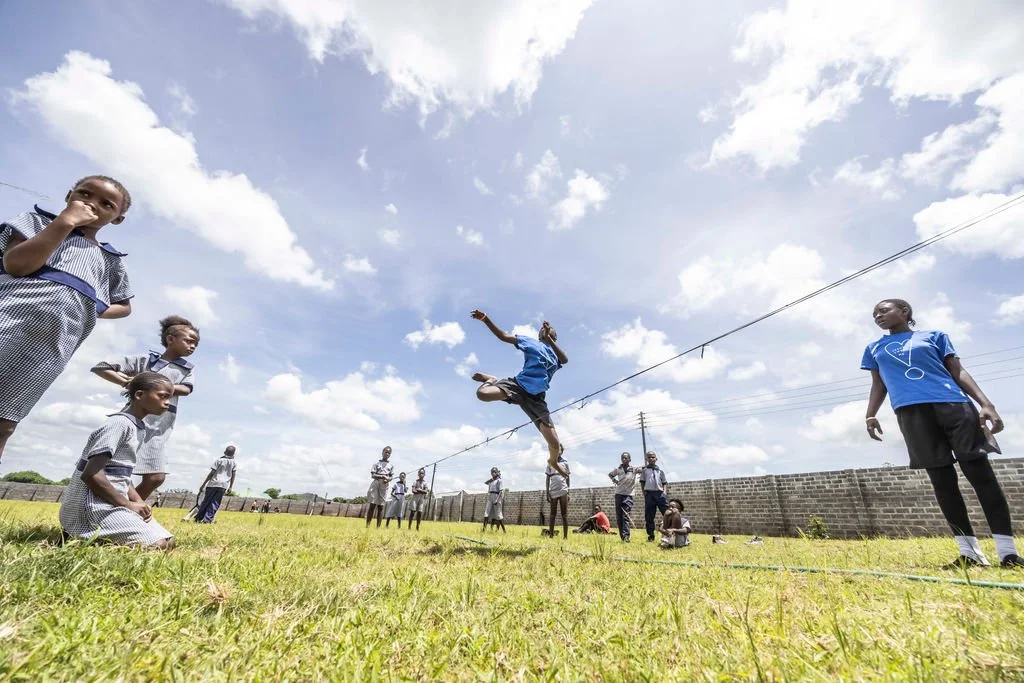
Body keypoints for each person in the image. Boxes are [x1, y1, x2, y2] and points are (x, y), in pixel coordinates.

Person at [864, 298, 1023, 569]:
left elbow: (957, 370)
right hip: (911, 413)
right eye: (874, 313)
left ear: (904, 312)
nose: (878, 315)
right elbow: (878, 384)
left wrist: (986, 404)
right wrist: (870, 414)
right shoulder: (874, 348)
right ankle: (970, 554)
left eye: (884, 310)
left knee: (980, 475)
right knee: (942, 482)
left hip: (953, 406)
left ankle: (1007, 553)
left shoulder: (934, 336)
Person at [0, 176, 134, 463]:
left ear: (117, 218)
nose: (91, 204)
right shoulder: (37, 223)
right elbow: (17, 265)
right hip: (8, 321)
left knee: (5, 422)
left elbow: (124, 305)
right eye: (84, 194)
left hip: (50, 348)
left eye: (106, 204)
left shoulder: (110, 259)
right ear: (69, 195)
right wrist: (65, 222)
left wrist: (88, 304)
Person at [58, 372, 174, 549]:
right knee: (158, 545)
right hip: (92, 507)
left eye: (169, 398)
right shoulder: (119, 424)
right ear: (139, 395)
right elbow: (91, 475)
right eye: (162, 396)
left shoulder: (136, 427)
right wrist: (127, 505)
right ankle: (83, 537)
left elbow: (121, 476)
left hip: (111, 503)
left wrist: (138, 502)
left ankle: (100, 538)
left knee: (169, 541)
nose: (167, 403)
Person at [91, 315, 199, 501]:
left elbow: (186, 389)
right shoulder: (144, 361)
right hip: (133, 419)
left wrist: (154, 385)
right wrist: (127, 382)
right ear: (170, 339)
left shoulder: (187, 369)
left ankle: (127, 508)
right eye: (189, 341)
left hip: (159, 428)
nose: (193, 346)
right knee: (118, 467)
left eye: (195, 344)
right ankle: (119, 507)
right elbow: (101, 368)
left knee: (156, 477)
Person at [469, 310, 569, 478]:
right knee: (482, 394)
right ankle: (492, 379)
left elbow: (565, 360)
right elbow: (503, 336)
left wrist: (550, 339)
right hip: (518, 386)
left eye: (551, 330)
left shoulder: (556, 355)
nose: (548, 328)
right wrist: (486, 319)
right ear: (539, 334)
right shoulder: (529, 341)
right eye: (545, 329)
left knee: (555, 444)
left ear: (554, 337)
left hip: (536, 398)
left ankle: (553, 461)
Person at [194, 446, 238, 524]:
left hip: (213, 484)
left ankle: (198, 518)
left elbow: (212, 473)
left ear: (224, 452)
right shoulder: (234, 463)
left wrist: (204, 484)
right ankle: (207, 520)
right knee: (215, 503)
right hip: (223, 485)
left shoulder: (219, 460)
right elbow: (233, 475)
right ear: (234, 454)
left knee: (206, 501)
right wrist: (230, 486)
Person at [608, 451, 639, 542]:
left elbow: (644, 468)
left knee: (625, 515)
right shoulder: (618, 469)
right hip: (618, 494)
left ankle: (626, 537)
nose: (624, 459)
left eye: (626, 458)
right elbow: (610, 474)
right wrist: (615, 481)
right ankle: (622, 536)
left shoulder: (633, 469)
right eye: (622, 458)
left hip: (628, 495)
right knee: (619, 516)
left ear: (629, 459)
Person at [639, 450, 669, 542]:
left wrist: (664, 493)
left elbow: (664, 483)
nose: (651, 458)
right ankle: (651, 536)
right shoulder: (644, 471)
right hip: (649, 495)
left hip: (660, 495)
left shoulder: (660, 471)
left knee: (667, 514)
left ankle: (670, 533)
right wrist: (645, 493)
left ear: (656, 459)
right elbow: (642, 482)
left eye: (653, 457)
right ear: (646, 459)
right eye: (649, 457)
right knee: (649, 516)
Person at [366, 446, 394, 528]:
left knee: (381, 506)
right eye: (386, 452)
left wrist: (388, 479)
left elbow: (391, 476)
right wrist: (382, 477)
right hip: (376, 484)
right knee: (372, 505)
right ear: (382, 452)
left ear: (390, 455)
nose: (387, 454)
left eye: (389, 453)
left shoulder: (391, 466)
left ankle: (378, 527)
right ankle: (367, 526)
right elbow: (373, 475)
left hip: (384, 486)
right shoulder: (376, 464)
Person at [545, 454, 570, 539]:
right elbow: (547, 478)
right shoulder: (550, 462)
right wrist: (547, 492)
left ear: (562, 451)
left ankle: (565, 537)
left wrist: (568, 492)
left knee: (564, 515)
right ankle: (551, 535)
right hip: (553, 491)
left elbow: (568, 477)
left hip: (563, 490)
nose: (558, 451)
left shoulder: (565, 463)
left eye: (560, 450)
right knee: (552, 514)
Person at [483, 467, 506, 534]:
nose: (493, 473)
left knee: (498, 515)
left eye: (494, 472)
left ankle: (504, 531)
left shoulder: (499, 481)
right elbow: (485, 483)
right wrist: (493, 478)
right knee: (486, 514)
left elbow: (501, 491)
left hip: (496, 496)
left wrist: (497, 500)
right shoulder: (491, 481)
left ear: (497, 473)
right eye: (492, 472)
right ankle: (483, 531)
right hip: (490, 497)